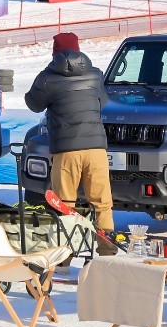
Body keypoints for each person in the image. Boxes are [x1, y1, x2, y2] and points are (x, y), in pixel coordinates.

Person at [24, 32, 115, 236]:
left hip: (66, 151)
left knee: (64, 203)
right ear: (78, 49)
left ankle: (65, 254)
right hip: (96, 147)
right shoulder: (95, 75)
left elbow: (34, 104)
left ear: (55, 52)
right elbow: (103, 101)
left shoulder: (47, 77)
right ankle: (105, 248)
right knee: (102, 201)